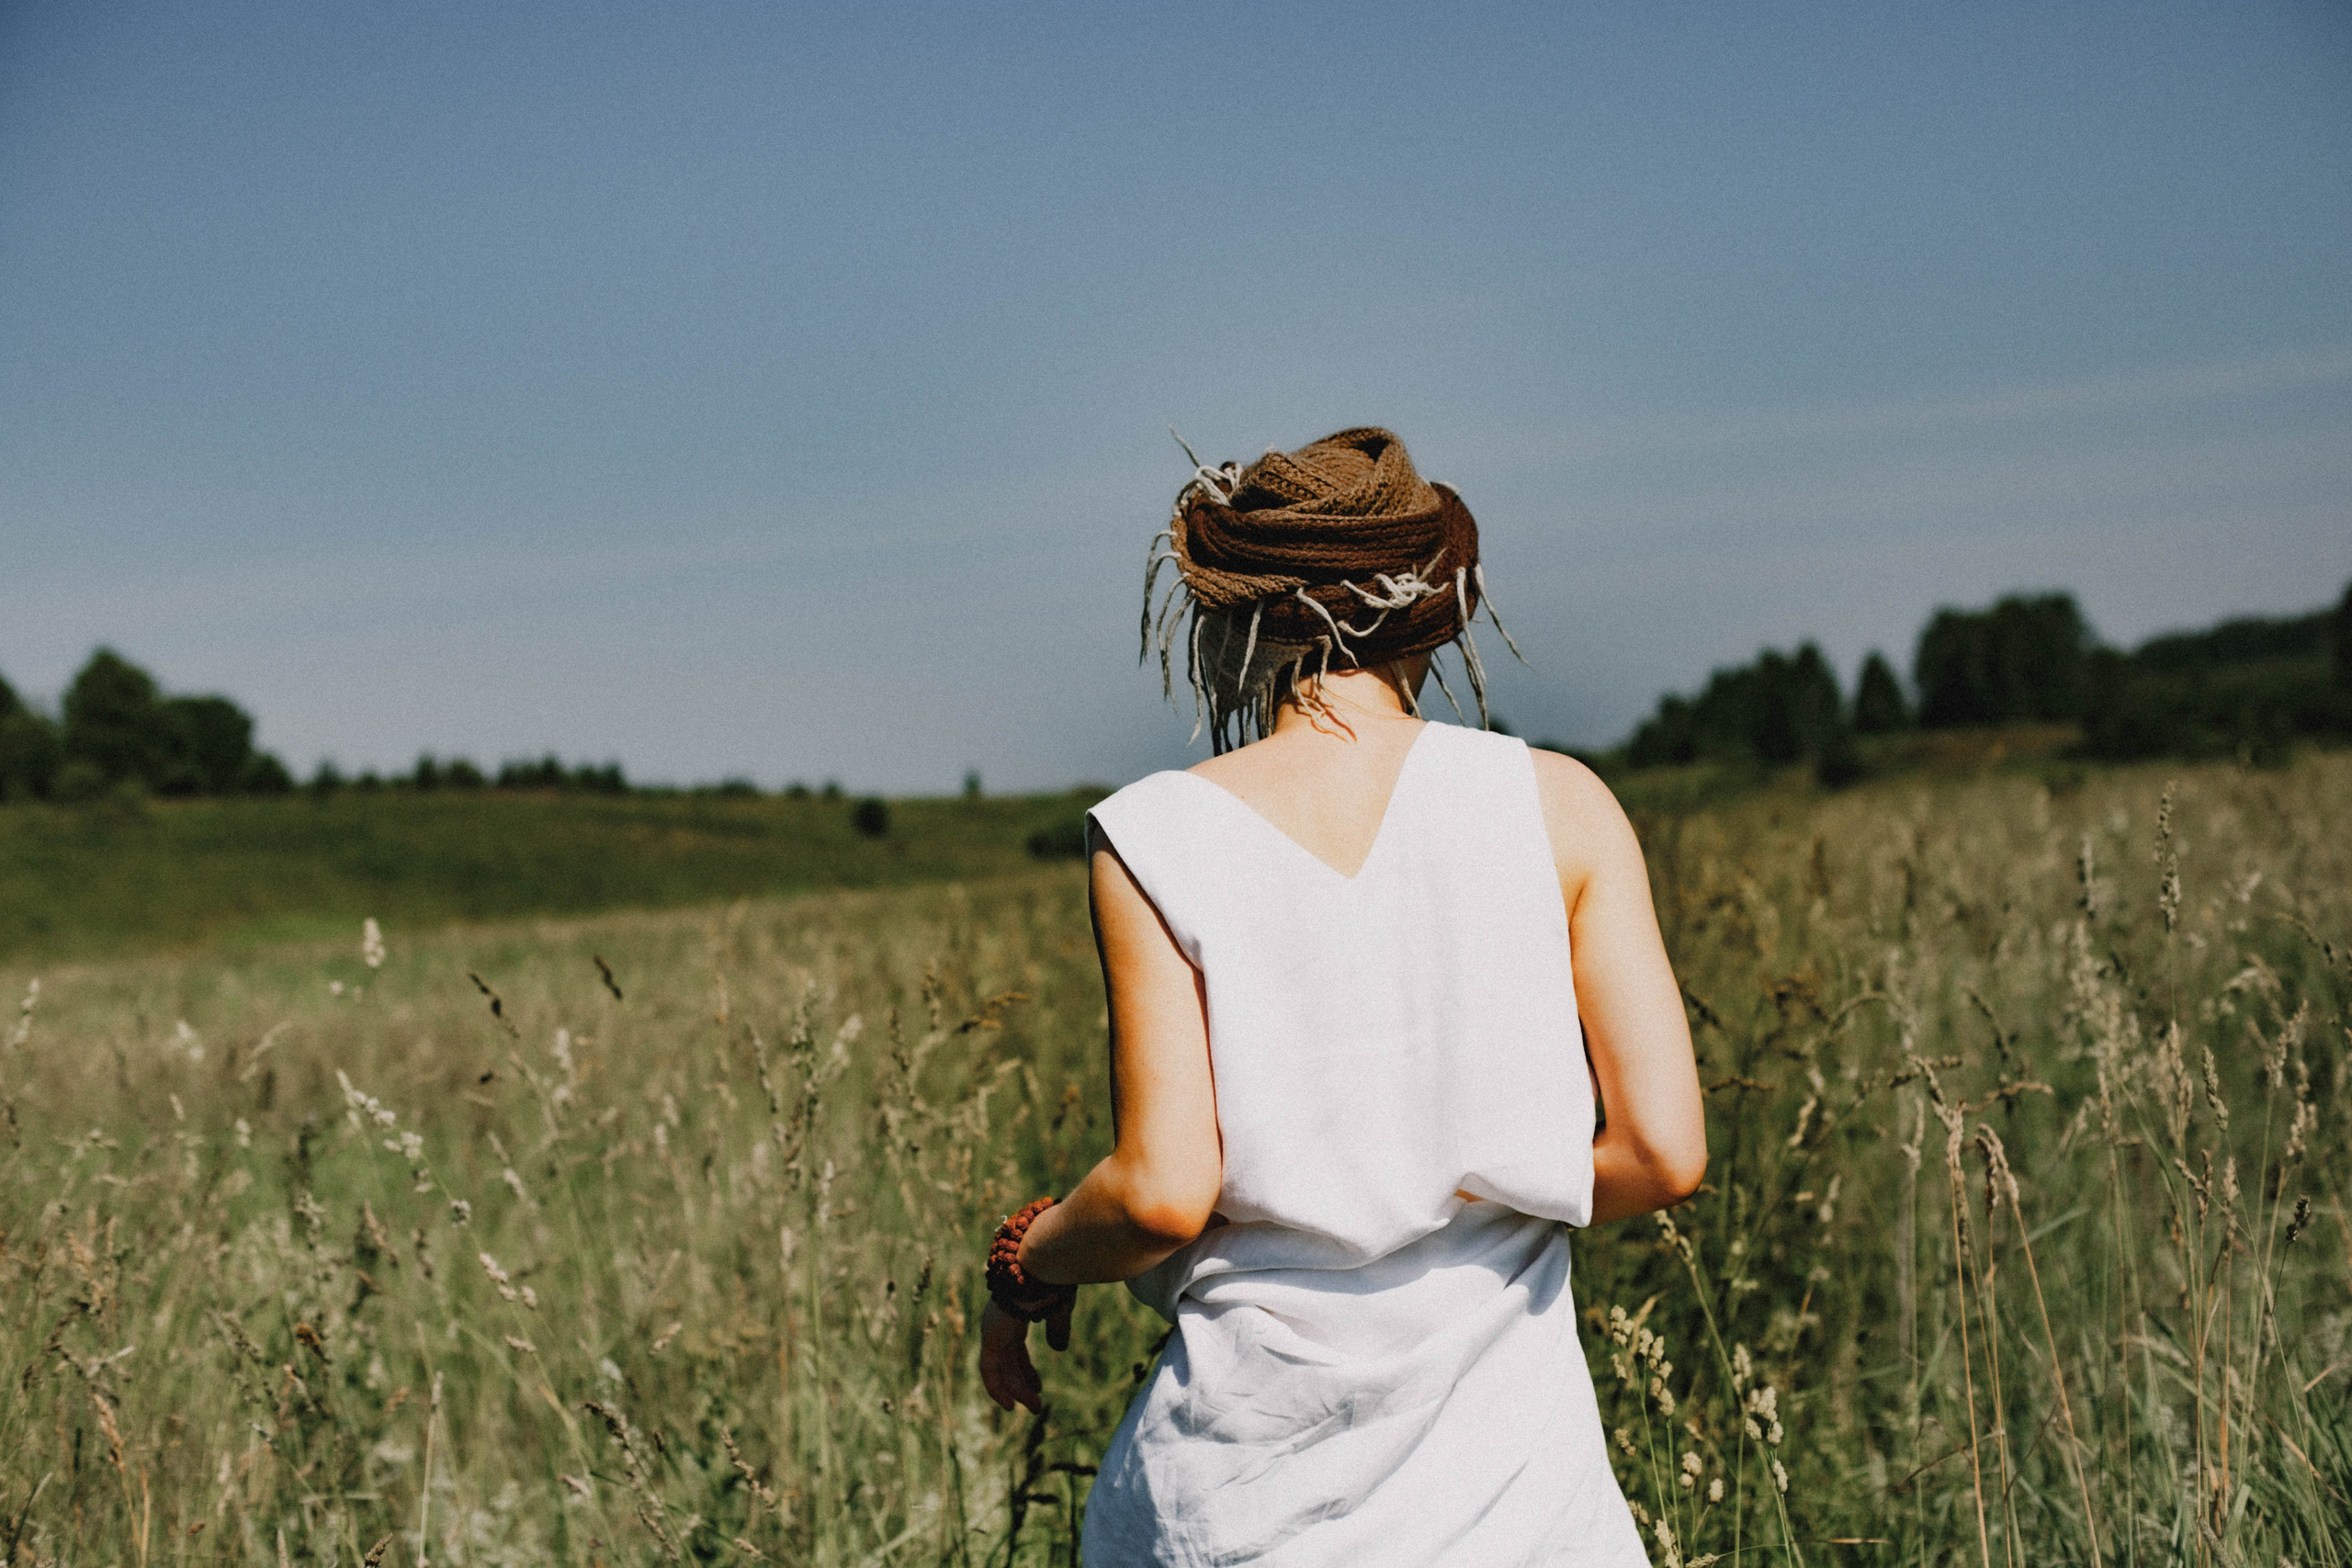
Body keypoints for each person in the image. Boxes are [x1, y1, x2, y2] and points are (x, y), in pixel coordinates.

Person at [978, 427, 1706, 1565]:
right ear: (1440, 607)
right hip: (1517, 1508)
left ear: (1235, 621)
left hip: (1240, 1505)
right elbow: (1663, 1152)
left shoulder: (1154, 835)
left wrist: (1025, 1263)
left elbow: (1160, 1195)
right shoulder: (1563, 805)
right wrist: (1483, 1187)